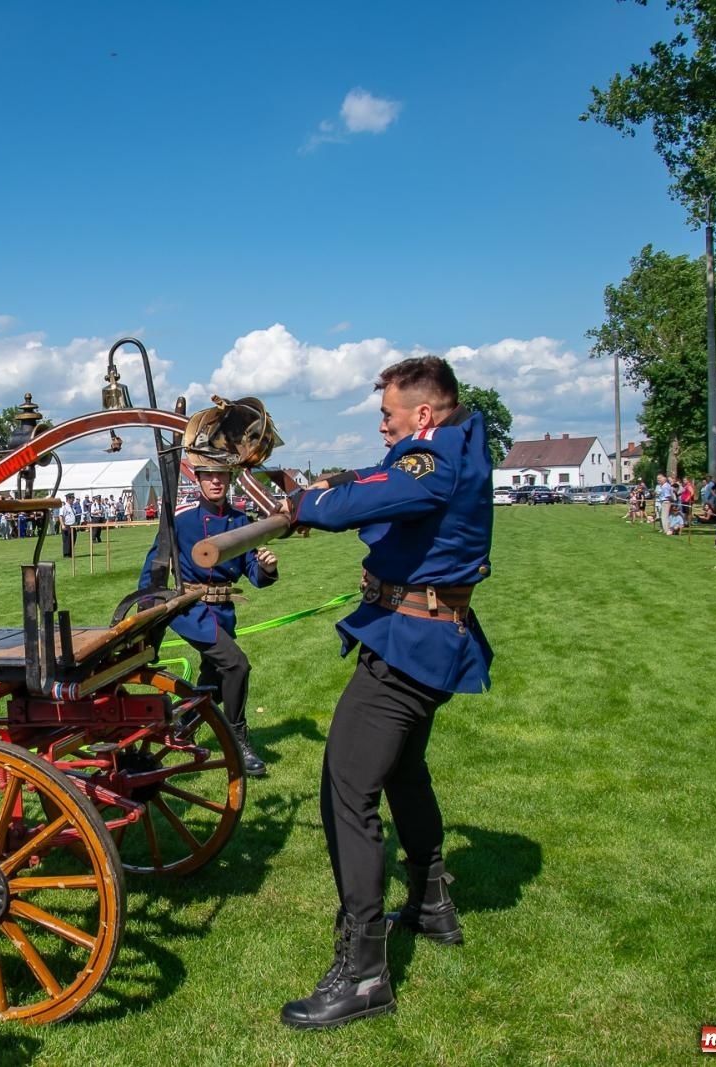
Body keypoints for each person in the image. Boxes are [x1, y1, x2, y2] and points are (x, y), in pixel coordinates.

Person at [275, 355, 492, 1032]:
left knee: (346, 789)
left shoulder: (434, 458)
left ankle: (364, 973)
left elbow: (372, 498)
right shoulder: (455, 444)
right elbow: (376, 479)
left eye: (388, 415)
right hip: (427, 638)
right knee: (403, 770)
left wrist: (306, 504)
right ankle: (430, 904)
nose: (382, 426)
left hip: (409, 646)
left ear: (423, 414)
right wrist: (334, 483)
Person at [139, 456, 278, 777]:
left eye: (222, 476)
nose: (216, 481)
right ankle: (238, 740)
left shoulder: (241, 522)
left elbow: (254, 573)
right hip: (189, 609)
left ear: (229, 479)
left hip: (223, 612)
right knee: (236, 665)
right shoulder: (181, 521)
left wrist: (266, 567)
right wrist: (148, 616)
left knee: (213, 680)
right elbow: (152, 570)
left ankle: (183, 724)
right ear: (198, 479)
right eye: (209, 476)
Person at [58, 493, 78, 557]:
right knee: (67, 540)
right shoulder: (64, 507)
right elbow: (61, 516)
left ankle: (71, 553)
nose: (73, 500)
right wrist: (62, 525)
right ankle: (66, 554)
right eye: (72, 498)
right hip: (66, 525)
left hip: (73, 525)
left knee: (73, 539)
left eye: (73, 498)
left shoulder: (72, 507)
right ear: (68, 499)